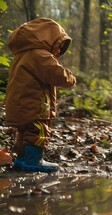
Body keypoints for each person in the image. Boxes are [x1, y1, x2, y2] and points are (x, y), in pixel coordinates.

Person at [5, 18, 77, 173]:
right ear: (48, 39)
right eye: (58, 46)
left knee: (25, 132)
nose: (58, 51)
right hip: (33, 105)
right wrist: (70, 78)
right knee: (39, 131)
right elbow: (56, 74)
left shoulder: (22, 55)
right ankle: (33, 161)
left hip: (19, 104)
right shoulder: (40, 55)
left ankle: (21, 159)